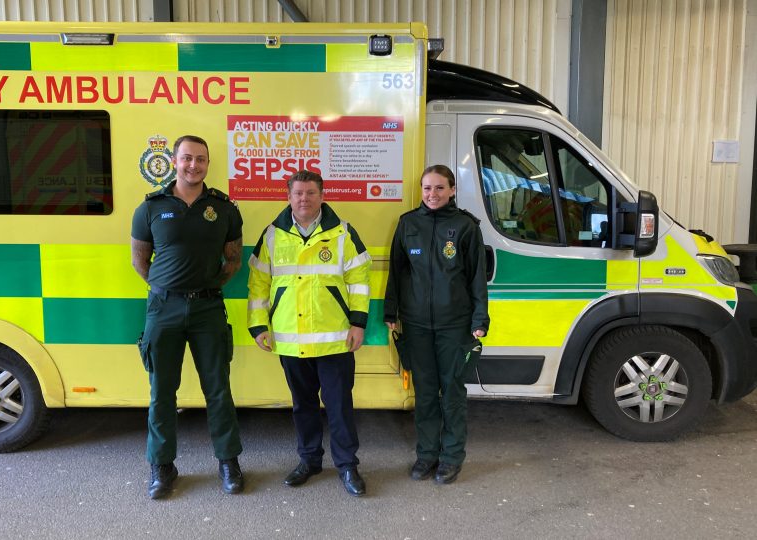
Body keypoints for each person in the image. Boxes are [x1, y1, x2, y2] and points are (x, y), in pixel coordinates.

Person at [131, 135, 245, 500]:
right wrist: (168, 288)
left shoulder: (224, 208)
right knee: (162, 392)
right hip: (163, 310)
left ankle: (228, 461)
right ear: (175, 162)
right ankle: (162, 466)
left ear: (208, 164)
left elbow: (233, 259)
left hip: (209, 309)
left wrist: (208, 287)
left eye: (200, 159)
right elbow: (139, 260)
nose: (193, 165)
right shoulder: (149, 207)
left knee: (218, 390)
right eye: (186, 158)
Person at [246, 170, 371, 497]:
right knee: (303, 406)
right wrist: (259, 325)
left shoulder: (342, 233)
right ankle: (310, 461)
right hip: (289, 338)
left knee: (339, 406)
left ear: (321, 195)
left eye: (311, 193)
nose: (304, 199)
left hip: (335, 339)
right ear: (288, 197)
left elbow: (359, 280)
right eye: (298, 193)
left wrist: (358, 323)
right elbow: (258, 283)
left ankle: (347, 466)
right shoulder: (272, 234)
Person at [383, 164, 490, 485]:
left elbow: (476, 279)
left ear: (452, 190)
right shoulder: (407, 224)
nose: (433, 194)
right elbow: (397, 273)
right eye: (427, 188)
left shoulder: (466, 227)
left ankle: (452, 457)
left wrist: (479, 319)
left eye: (440, 188)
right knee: (426, 393)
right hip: (415, 325)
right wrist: (392, 313)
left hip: (454, 326)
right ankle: (427, 455)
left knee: (452, 393)